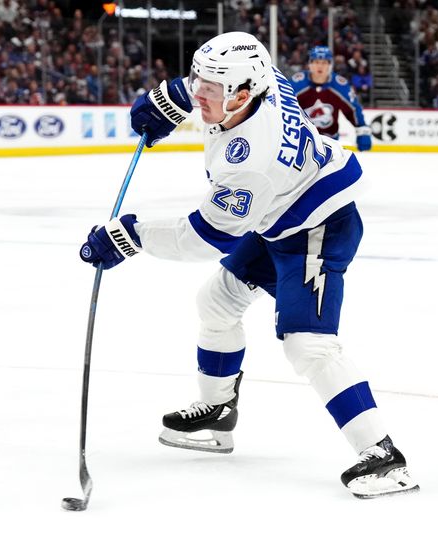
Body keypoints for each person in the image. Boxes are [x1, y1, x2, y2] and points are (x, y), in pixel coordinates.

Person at [79, 32, 417, 499]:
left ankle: (384, 456)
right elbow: (222, 68)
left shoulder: (250, 162)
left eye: (210, 91)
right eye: (199, 81)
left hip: (317, 226)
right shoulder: (260, 77)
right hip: (278, 216)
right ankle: (218, 411)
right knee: (216, 301)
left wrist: (130, 235)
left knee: (309, 346)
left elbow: (206, 236)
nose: (200, 94)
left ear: (242, 94)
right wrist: (173, 95)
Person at [290, 46, 371, 151]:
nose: (320, 66)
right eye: (316, 62)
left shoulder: (340, 85)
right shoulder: (297, 83)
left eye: (324, 63)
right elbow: (283, 105)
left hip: (329, 142)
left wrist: (362, 128)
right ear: (310, 64)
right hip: (300, 141)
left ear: (330, 65)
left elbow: (353, 109)